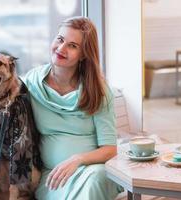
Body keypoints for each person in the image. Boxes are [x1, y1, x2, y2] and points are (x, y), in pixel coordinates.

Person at [23, 16, 122, 200]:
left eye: (73, 45)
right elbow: (1, 108)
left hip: (94, 171)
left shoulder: (98, 91)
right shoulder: (32, 83)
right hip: (54, 176)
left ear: (84, 54)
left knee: (95, 182)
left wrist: (77, 159)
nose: (61, 48)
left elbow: (110, 149)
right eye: (60, 39)